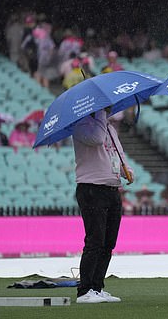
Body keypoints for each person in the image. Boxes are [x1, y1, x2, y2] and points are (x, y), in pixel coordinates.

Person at [72, 107, 134, 304]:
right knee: (95, 240)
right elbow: (97, 139)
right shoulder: (80, 125)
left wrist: (126, 169)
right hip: (91, 188)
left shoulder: (108, 127)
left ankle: (97, 287)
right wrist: (100, 114)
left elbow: (117, 151)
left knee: (108, 243)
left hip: (111, 188)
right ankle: (84, 290)